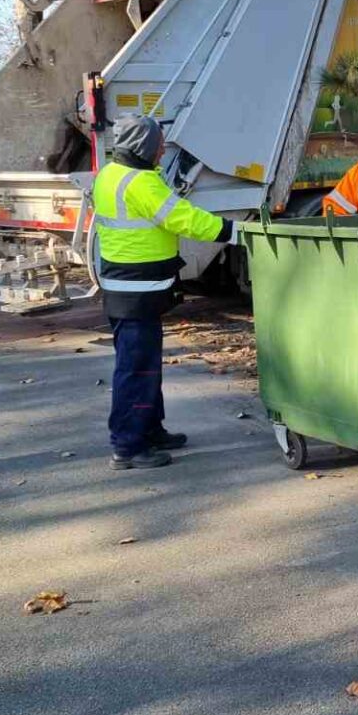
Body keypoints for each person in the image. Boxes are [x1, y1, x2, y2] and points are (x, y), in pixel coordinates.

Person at [92, 115, 238, 469]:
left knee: (143, 365)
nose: (162, 150)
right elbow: (182, 218)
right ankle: (128, 445)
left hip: (128, 286)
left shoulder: (111, 174)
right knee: (136, 369)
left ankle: (149, 429)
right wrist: (232, 231)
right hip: (136, 289)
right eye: (158, 144)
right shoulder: (140, 182)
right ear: (143, 147)